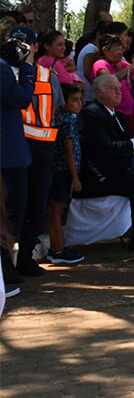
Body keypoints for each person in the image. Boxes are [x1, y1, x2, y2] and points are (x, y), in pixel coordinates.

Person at [78, 75, 134, 253]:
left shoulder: (118, 116)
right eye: (113, 88)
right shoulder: (92, 113)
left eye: (119, 88)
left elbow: (133, 144)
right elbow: (106, 148)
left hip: (122, 170)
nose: (120, 91)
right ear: (98, 92)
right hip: (102, 175)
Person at [8, 26, 65, 276]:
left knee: (37, 205)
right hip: (13, 148)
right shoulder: (5, 72)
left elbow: (55, 110)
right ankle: (7, 261)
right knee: (13, 206)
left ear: (35, 47)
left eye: (26, 43)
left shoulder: (48, 75)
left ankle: (26, 256)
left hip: (41, 148)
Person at [0, 33, 37, 288]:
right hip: (7, 155)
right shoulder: (2, 69)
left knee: (12, 212)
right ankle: (5, 274)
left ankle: (8, 270)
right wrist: (27, 67)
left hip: (13, 153)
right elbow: (21, 98)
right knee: (6, 214)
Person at [44, 84, 86, 264]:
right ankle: (57, 249)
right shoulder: (67, 119)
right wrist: (75, 177)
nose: (79, 104)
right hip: (63, 171)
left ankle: (58, 247)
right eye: (74, 100)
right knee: (56, 210)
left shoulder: (63, 117)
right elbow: (68, 149)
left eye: (80, 100)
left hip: (60, 170)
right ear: (63, 102)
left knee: (56, 209)